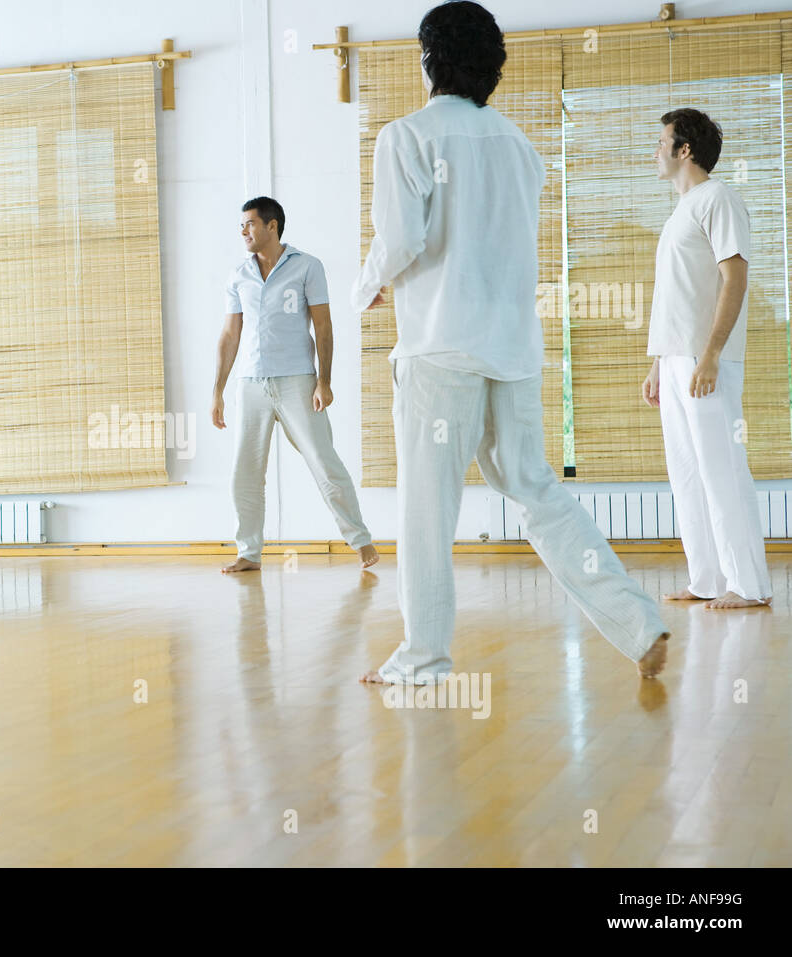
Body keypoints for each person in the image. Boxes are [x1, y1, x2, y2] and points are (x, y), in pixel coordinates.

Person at [353, 1, 669, 683]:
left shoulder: (405, 136)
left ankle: (423, 657)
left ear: (427, 58)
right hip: (514, 350)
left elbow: (404, 239)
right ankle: (639, 622)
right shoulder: (519, 147)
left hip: (441, 350)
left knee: (427, 510)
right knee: (539, 492)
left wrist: (368, 285)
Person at [642, 109, 772, 610]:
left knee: (721, 469)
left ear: (685, 150)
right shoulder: (681, 210)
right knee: (687, 474)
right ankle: (709, 579)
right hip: (676, 359)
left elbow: (734, 278)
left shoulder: (719, 198)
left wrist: (712, 354)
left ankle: (750, 585)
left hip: (704, 360)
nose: (656, 151)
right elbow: (677, 297)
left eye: (662, 142)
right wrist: (659, 362)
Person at [212, 196, 378, 574]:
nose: (243, 231)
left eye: (250, 224)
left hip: (298, 382)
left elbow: (323, 325)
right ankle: (249, 553)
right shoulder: (238, 274)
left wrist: (325, 380)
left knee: (323, 460)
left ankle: (360, 539)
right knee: (245, 471)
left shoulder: (307, 266)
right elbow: (229, 335)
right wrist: (217, 391)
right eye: (242, 225)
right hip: (251, 383)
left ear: (272, 226)